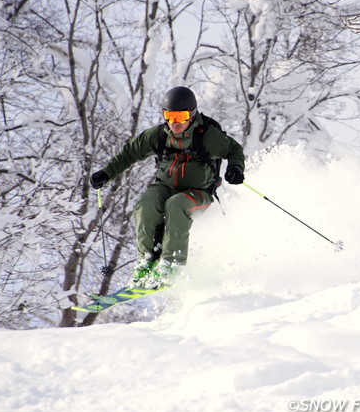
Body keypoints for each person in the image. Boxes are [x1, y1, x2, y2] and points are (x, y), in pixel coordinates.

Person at [89, 86, 246, 288]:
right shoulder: (160, 135)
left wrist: (235, 168)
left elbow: (234, 150)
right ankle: (147, 260)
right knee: (145, 204)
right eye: (169, 116)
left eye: (180, 117)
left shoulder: (206, 136)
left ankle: (171, 264)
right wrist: (106, 173)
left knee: (176, 204)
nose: (175, 123)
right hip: (165, 186)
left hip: (198, 192)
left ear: (191, 115)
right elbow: (130, 153)